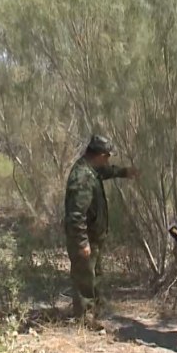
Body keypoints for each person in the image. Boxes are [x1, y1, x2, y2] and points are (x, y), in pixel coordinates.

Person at [63, 135, 138, 329]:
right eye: (107, 156)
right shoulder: (82, 177)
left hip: (93, 237)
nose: (108, 160)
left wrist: (124, 172)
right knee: (84, 279)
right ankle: (84, 320)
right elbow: (76, 214)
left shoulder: (92, 170)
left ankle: (94, 313)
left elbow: (105, 172)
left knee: (94, 275)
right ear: (100, 155)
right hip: (85, 238)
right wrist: (82, 242)